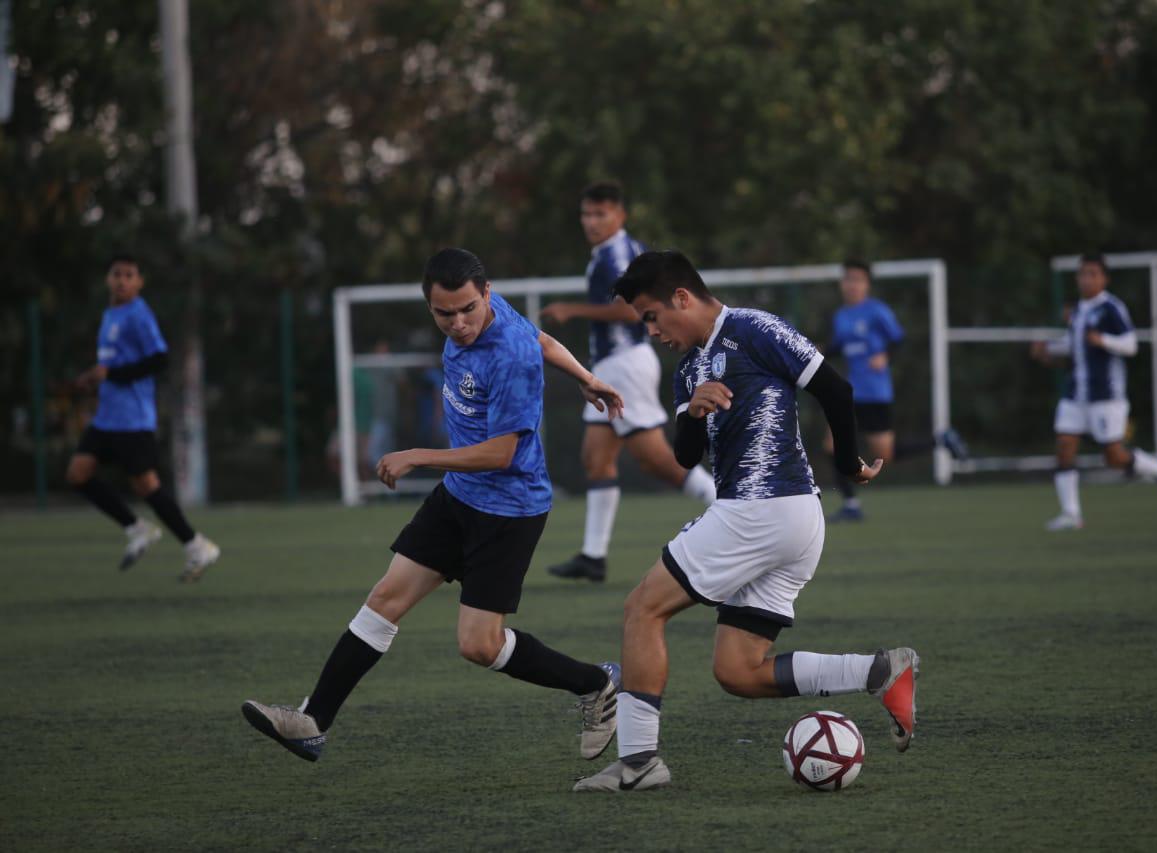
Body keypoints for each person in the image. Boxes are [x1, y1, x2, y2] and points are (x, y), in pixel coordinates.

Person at [242, 248, 627, 767]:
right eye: (445, 314)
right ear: (431, 306)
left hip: (509, 510)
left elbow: (502, 452)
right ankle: (313, 722)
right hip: (459, 497)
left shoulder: (507, 351)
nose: (459, 323)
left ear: (485, 294)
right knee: (385, 598)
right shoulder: (491, 311)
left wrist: (418, 456)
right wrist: (583, 373)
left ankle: (596, 684)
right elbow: (545, 337)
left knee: (478, 646)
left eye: (468, 309)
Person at [572, 250, 919, 793]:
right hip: (790, 520)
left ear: (681, 298)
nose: (653, 331)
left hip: (763, 509)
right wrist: (692, 410)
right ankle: (877, 671)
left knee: (642, 608)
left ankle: (639, 765)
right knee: (738, 670)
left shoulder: (753, 328)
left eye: (652, 316)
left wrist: (849, 463)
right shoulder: (689, 366)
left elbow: (835, 388)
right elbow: (686, 458)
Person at [540, 182, 716, 583]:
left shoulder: (618, 252)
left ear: (620, 215)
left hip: (624, 363)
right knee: (595, 458)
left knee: (654, 459)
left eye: (600, 214)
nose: (592, 222)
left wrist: (572, 309)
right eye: (587, 214)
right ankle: (593, 556)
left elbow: (629, 312)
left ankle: (723, 503)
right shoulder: (610, 252)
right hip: (611, 365)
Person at [65, 254, 220, 582]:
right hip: (107, 417)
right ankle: (136, 528)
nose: (122, 280)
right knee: (78, 473)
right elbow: (112, 365)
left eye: (129, 275)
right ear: (108, 279)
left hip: (133, 419)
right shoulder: (111, 314)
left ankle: (196, 545)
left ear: (139, 282)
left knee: (147, 486)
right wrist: (95, 376)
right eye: (116, 274)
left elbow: (159, 359)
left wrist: (113, 374)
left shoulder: (138, 314)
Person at [1031, 253, 1157, 531]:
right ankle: (1071, 513)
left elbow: (1131, 344)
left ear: (1104, 278)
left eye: (1092, 273)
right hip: (1076, 393)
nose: (1086, 279)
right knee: (1064, 446)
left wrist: (1103, 339)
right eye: (1082, 273)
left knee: (1113, 457)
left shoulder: (1111, 307)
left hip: (1106, 394)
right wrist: (1047, 350)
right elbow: (1074, 346)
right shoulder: (1077, 311)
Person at [826, 259, 967, 521]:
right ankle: (851, 505)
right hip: (850, 393)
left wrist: (885, 356)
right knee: (832, 445)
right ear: (842, 284)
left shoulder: (877, 311)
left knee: (885, 455)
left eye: (857, 280)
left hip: (876, 392)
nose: (852, 285)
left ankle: (940, 440)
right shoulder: (840, 316)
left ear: (866, 284)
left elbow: (899, 340)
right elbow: (837, 348)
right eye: (848, 279)